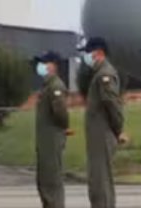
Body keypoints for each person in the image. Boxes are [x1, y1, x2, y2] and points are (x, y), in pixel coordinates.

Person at [80, 37, 127, 208]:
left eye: (88, 53)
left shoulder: (105, 75)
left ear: (99, 53)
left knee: (100, 182)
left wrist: (119, 129)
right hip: (97, 135)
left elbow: (112, 104)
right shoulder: (99, 75)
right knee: (97, 181)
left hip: (102, 134)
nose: (86, 57)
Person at [33, 50, 70, 208]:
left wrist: (62, 129)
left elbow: (61, 114)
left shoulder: (55, 86)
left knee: (52, 184)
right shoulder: (46, 86)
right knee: (44, 183)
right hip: (45, 142)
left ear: (53, 65)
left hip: (52, 142)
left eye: (44, 62)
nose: (40, 66)